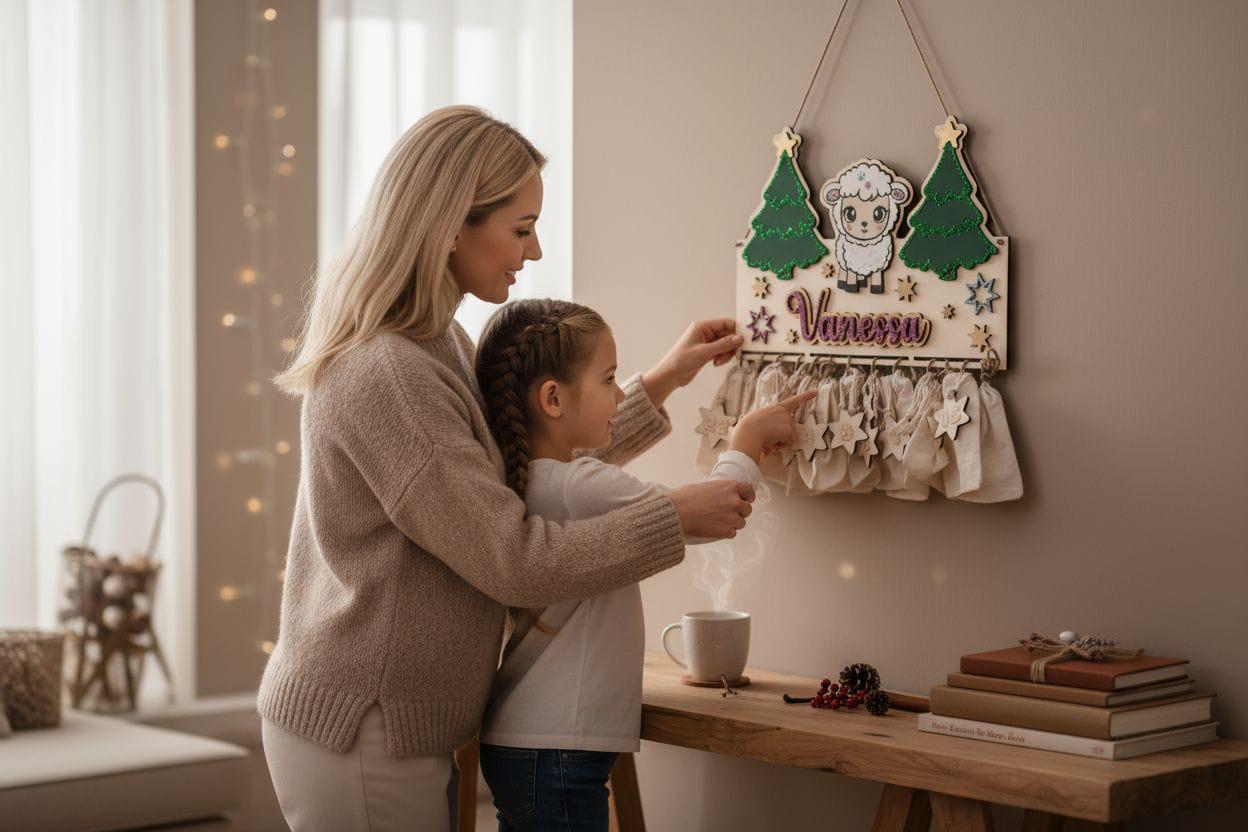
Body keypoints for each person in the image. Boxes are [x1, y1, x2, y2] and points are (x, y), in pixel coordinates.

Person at [258, 105, 756, 831]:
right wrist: (671, 519)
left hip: (396, 726)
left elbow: (510, 469)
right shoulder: (391, 371)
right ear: (451, 223)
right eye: (521, 229)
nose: (537, 249)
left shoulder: (441, 344)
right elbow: (509, 556)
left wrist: (665, 380)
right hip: (363, 729)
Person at [472, 298, 811, 831]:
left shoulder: (540, 478)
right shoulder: (577, 486)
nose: (619, 392)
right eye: (608, 379)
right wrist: (744, 440)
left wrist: (671, 373)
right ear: (553, 399)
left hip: (536, 741)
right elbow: (711, 512)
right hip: (556, 748)